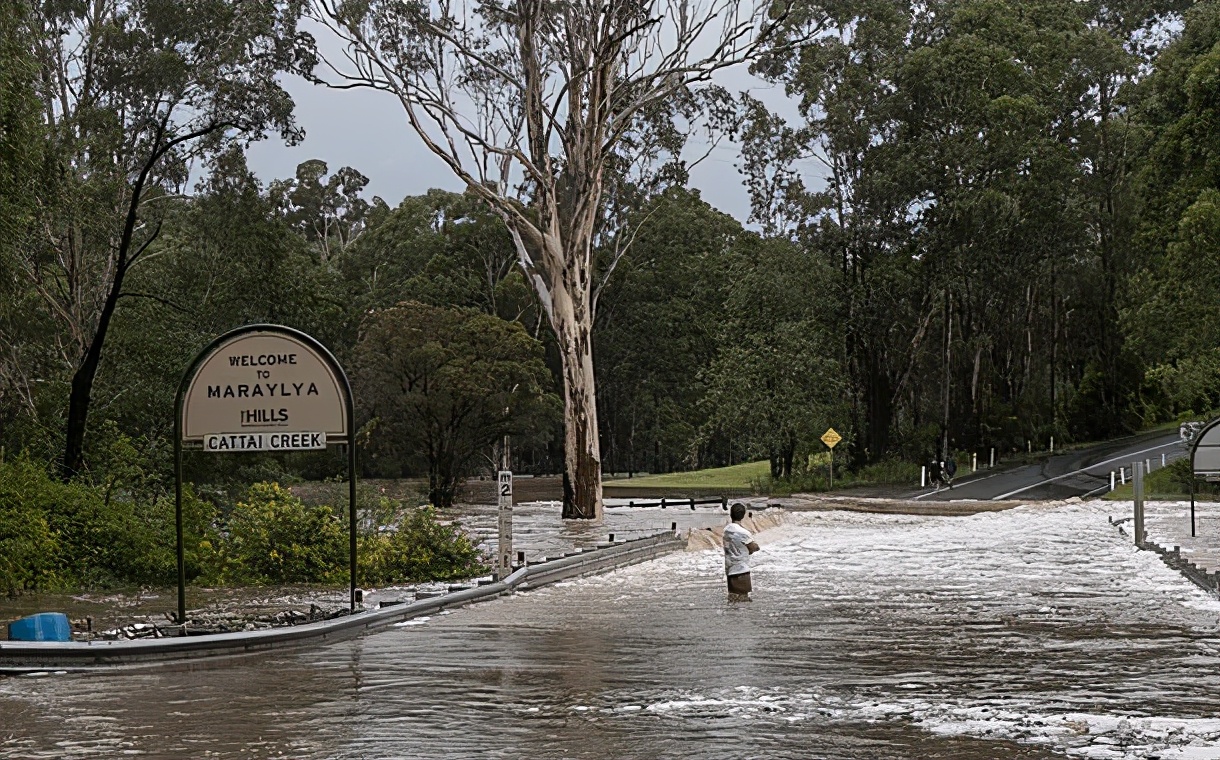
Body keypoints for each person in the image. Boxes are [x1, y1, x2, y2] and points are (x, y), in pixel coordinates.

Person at [724, 503, 760, 601]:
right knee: (744, 602)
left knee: (732, 600)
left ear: (731, 514)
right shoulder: (743, 532)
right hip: (742, 571)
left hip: (730, 570)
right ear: (743, 515)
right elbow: (754, 547)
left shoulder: (726, 530)